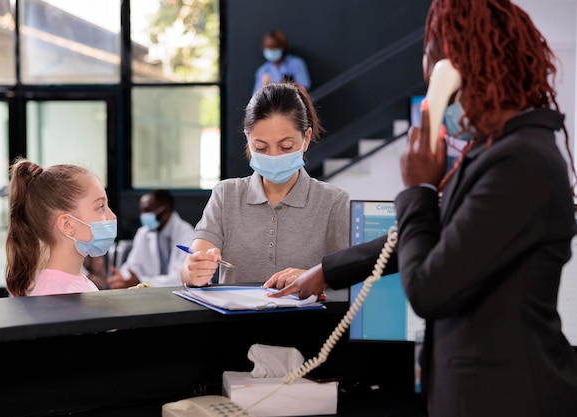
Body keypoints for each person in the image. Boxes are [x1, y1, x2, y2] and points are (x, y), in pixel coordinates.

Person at [265, 1, 577, 416]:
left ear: (461, 73)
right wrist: (326, 270)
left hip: (507, 396)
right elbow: (437, 236)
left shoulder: (519, 161)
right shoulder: (498, 153)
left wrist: (420, 187)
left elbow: (430, 289)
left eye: (433, 77)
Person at [181, 81, 350, 286]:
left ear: (306, 138)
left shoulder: (333, 202)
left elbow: (350, 279)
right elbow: (190, 265)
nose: (274, 156)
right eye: (261, 148)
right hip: (236, 318)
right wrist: (194, 270)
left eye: (286, 147)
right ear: (248, 139)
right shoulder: (226, 195)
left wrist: (315, 278)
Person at [5, 158, 117, 297]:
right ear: (67, 225)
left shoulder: (75, 283)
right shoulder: (54, 294)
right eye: (100, 207)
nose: (112, 216)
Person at [107, 189, 195, 288]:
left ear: (165, 211)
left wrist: (141, 282)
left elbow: (181, 278)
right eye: (142, 211)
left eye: (147, 211)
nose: (143, 216)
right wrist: (123, 279)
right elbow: (132, 267)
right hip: (150, 295)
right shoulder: (143, 233)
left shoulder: (187, 235)